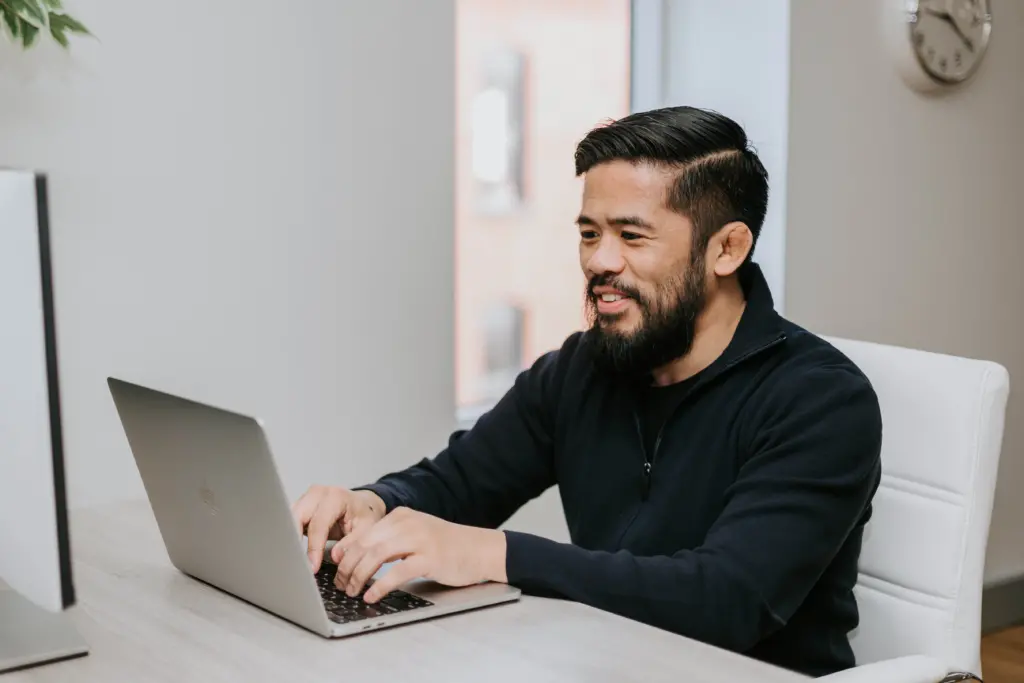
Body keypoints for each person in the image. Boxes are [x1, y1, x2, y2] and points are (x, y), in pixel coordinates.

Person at [291, 106, 882, 677]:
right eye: (589, 232)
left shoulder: (821, 400)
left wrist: (493, 554)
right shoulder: (581, 369)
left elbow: (726, 601)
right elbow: (458, 484)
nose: (599, 261)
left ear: (726, 248)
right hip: (604, 664)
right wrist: (370, 504)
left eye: (632, 235)